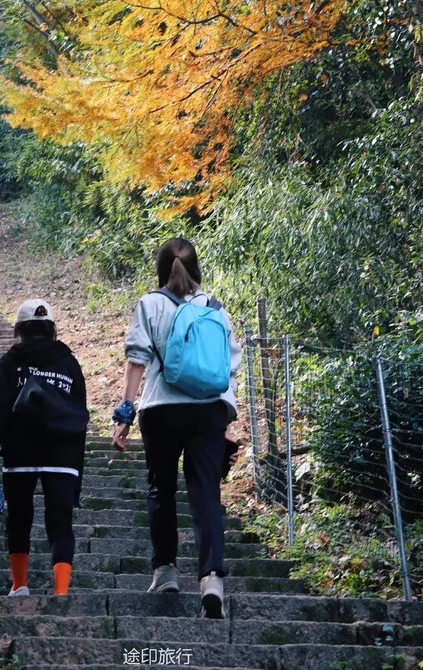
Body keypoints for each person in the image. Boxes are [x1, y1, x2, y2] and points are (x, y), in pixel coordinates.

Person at [111, 238, 241, 619]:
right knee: (206, 492)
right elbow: (228, 368)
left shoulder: (149, 304)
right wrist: (228, 422)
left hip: (162, 409)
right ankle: (212, 578)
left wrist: (124, 416)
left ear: (160, 268)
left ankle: (165, 571)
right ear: (196, 267)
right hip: (209, 412)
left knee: (161, 488)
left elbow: (136, 360)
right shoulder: (216, 308)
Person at [0, 299, 88, 597]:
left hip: (20, 452)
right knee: (61, 521)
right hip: (63, 454)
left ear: (20, 330)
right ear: (51, 328)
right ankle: (61, 591)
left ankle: (20, 585)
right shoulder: (69, 363)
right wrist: (78, 468)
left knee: (19, 517)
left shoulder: (9, 363)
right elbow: (81, 414)